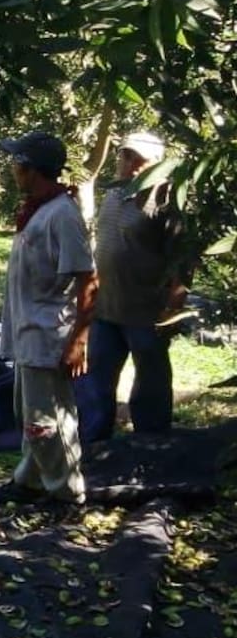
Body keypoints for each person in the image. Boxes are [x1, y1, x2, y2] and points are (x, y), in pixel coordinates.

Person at [0, 131, 96, 505]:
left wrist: (78, 340)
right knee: (33, 416)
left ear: (29, 169)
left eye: (16, 163)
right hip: (28, 331)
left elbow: (88, 279)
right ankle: (30, 481)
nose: (12, 170)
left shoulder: (62, 214)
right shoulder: (38, 209)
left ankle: (66, 494)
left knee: (44, 420)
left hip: (48, 333)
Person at [81, 131, 185, 437]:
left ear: (157, 162)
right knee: (98, 378)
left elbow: (181, 259)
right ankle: (95, 442)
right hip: (106, 307)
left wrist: (173, 308)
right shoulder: (114, 193)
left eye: (138, 159)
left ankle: (151, 443)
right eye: (126, 156)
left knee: (150, 381)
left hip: (146, 311)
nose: (131, 164)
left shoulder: (166, 199)